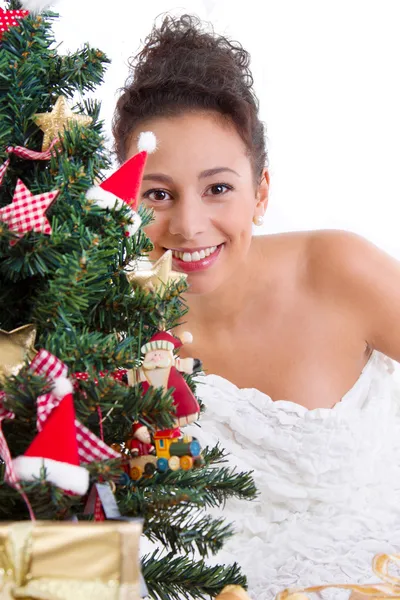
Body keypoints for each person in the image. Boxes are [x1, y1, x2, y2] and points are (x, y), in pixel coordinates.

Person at [112, 14, 400, 599]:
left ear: (260, 191)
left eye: (218, 188)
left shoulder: (338, 269)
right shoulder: (96, 323)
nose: (189, 226)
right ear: (125, 195)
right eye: (159, 194)